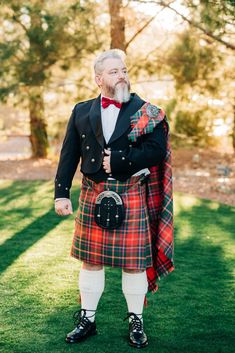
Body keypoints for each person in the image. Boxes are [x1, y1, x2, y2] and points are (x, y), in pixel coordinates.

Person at [54, 49, 174, 349]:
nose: (121, 75)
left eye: (123, 70)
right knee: (90, 262)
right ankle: (87, 319)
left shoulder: (146, 111)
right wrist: (61, 193)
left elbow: (157, 151)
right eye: (113, 72)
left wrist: (119, 161)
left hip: (130, 191)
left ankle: (136, 321)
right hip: (93, 192)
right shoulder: (81, 111)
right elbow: (69, 154)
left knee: (133, 265)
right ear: (99, 79)